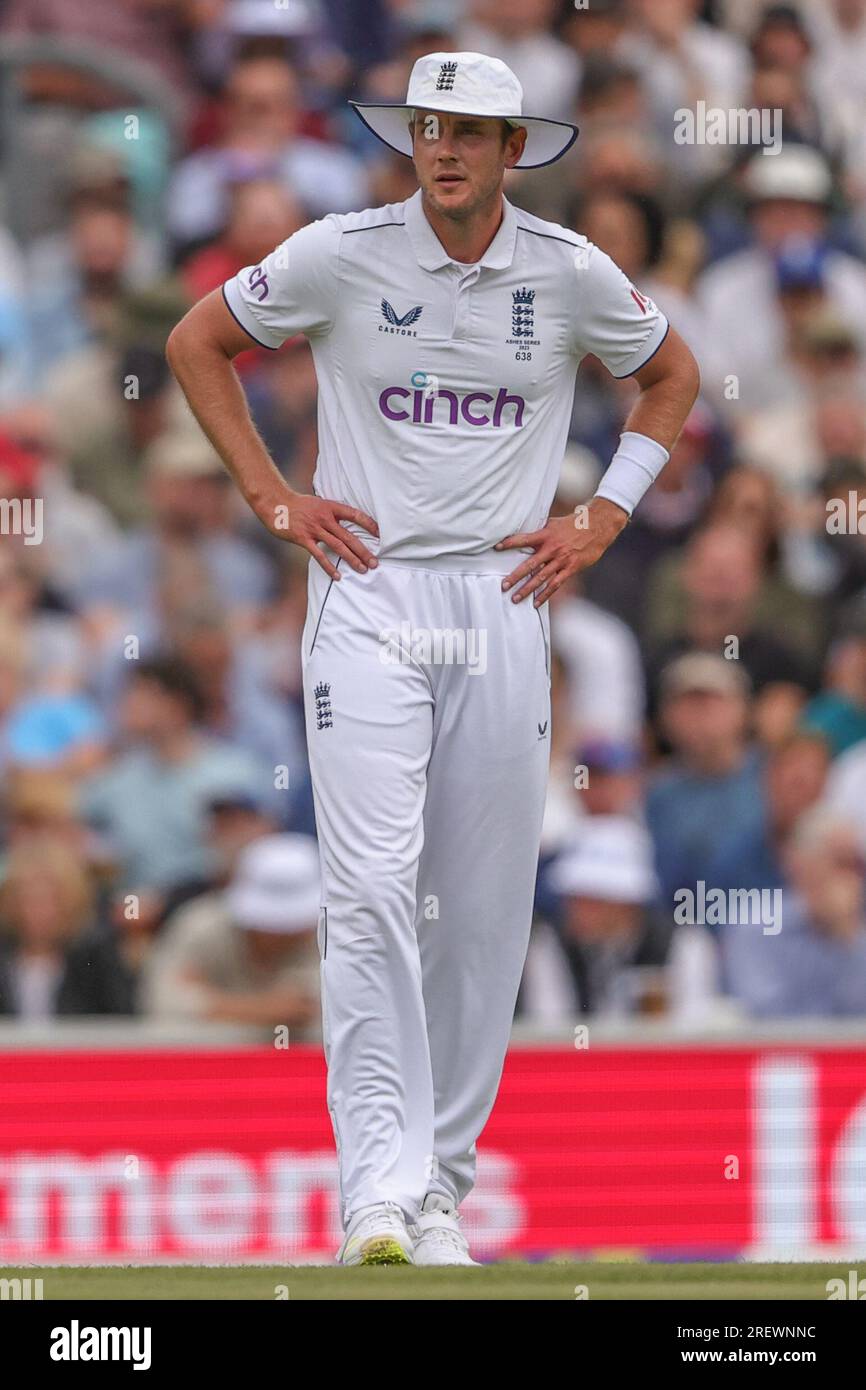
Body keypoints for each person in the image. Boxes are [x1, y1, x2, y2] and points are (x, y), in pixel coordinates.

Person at [166, 50, 699, 1267]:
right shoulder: (337, 251)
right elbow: (199, 341)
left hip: (504, 596)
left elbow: (667, 377)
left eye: (467, 132)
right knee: (364, 888)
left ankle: (438, 1190)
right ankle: (373, 1191)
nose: (442, 150)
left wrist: (603, 516)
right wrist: (268, 496)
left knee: (481, 912)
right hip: (366, 588)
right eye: (424, 127)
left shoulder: (568, 274)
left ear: (515, 150)